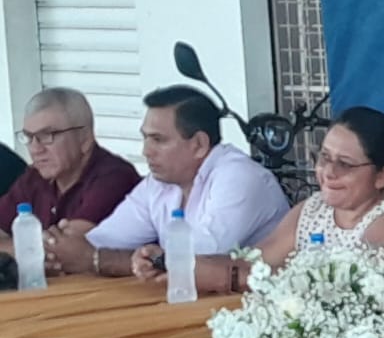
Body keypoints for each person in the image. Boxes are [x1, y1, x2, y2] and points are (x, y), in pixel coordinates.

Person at [158, 107, 384, 292]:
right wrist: (173, 261)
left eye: (344, 164)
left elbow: (340, 295)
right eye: (324, 157)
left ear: (383, 175)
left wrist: (226, 278)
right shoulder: (315, 209)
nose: (328, 172)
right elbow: (252, 262)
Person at [43, 85, 288, 278]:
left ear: (199, 144)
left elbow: (196, 261)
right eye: (145, 138)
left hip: (252, 309)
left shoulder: (239, 177)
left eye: (158, 140)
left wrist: (96, 260)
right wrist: (57, 248)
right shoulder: (159, 183)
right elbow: (102, 240)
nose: (146, 151)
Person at [0, 87, 141, 257]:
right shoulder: (35, 176)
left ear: (84, 139)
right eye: (29, 137)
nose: (35, 149)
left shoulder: (113, 177)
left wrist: (20, 247)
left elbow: (66, 252)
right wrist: (30, 249)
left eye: (47, 135)